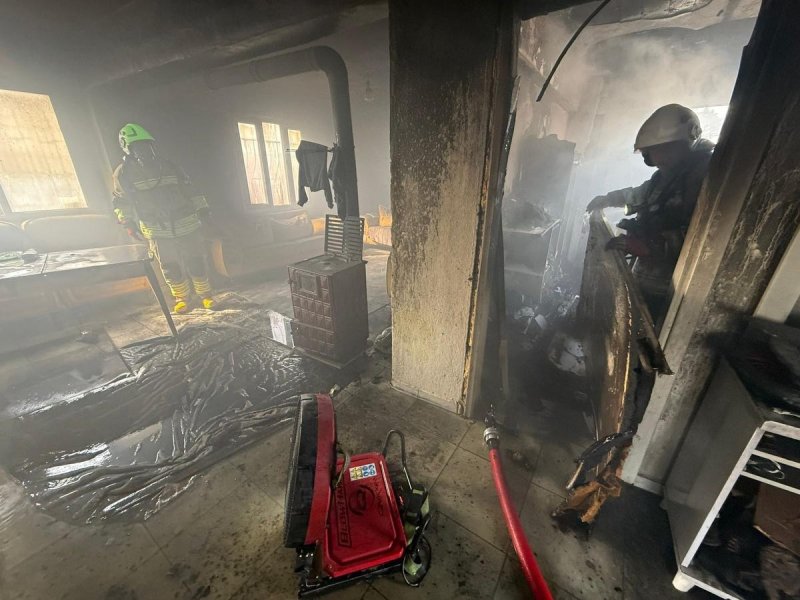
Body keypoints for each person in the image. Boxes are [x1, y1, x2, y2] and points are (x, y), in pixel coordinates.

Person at [586, 104, 715, 321]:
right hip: (648, 276)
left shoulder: (705, 177)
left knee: (648, 338)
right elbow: (640, 196)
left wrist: (648, 247)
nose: (655, 159)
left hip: (673, 292)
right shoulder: (666, 177)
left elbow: (706, 239)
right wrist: (608, 199)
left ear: (682, 143)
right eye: (651, 152)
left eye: (660, 149)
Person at [112, 123, 215, 314]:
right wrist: (127, 222)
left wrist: (203, 210)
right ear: (128, 149)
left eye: (147, 145)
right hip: (156, 228)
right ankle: (182, 298)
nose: (144, 150)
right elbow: (121, 201)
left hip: (187, 223)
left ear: (153, 146)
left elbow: (191, 190)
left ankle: (205, 295)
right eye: (138, 147)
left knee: (196, 260)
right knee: (170, 266)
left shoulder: (169, 167)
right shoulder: (124, 174)